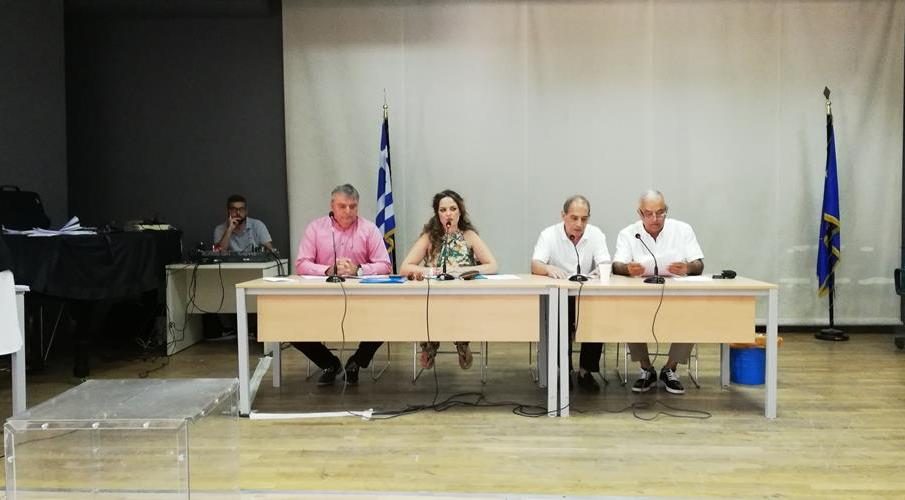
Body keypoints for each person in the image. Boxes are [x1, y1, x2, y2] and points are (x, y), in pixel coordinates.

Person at [294, 184, 393, 385]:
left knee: (388, 321)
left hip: (362, 300)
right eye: (342, 206)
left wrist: (359, 270)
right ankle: (329, 363)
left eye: (353, 206)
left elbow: (385, 265)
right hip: (321, 299)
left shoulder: (369, 229)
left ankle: (356, 362)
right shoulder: (316, 228)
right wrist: (328, 270)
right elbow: (301, 264)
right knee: (289, 327)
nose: (348, 211)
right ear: (332, 206)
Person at [612, 190, 704, 395]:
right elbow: (616, 265)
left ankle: (670, 369)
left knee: (692, 314)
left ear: (666, 210)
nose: (655, 218)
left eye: (660, 212)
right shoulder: (628, 233)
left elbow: (699, 264)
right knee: (628, 313)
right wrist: (627, 269)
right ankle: (646, 369)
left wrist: (687, 267)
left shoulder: (682, 229)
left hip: (677, 297)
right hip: (639, 298)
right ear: (640, 213)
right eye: (649, 213)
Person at [400, 189, 498, 370]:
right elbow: (405, 267)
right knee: (428, 307)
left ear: (460, 212)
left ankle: (462, 342)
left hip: (463, 296)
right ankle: (429, 345)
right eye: (443, 210)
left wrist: (462, 270)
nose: (448, 214)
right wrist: (432, 271)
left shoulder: (469, 235)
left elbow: (492, 266)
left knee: (461, 308)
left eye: (453, 209)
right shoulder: (429, 237)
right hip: (434, 296)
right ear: (437, 214)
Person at [530, 195, 611, 392]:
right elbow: (535, 264)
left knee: (597, 315)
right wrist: (548, 269)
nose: (579, 224)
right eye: (574, 218)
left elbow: (605, 262)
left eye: (584, 219)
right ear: (563, 216)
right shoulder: (549, 234)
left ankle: (586, 371)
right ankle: (564, 370)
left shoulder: (595, 234)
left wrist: (599, 271)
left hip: (585, 294)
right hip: (559, 295)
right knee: (559, 318)